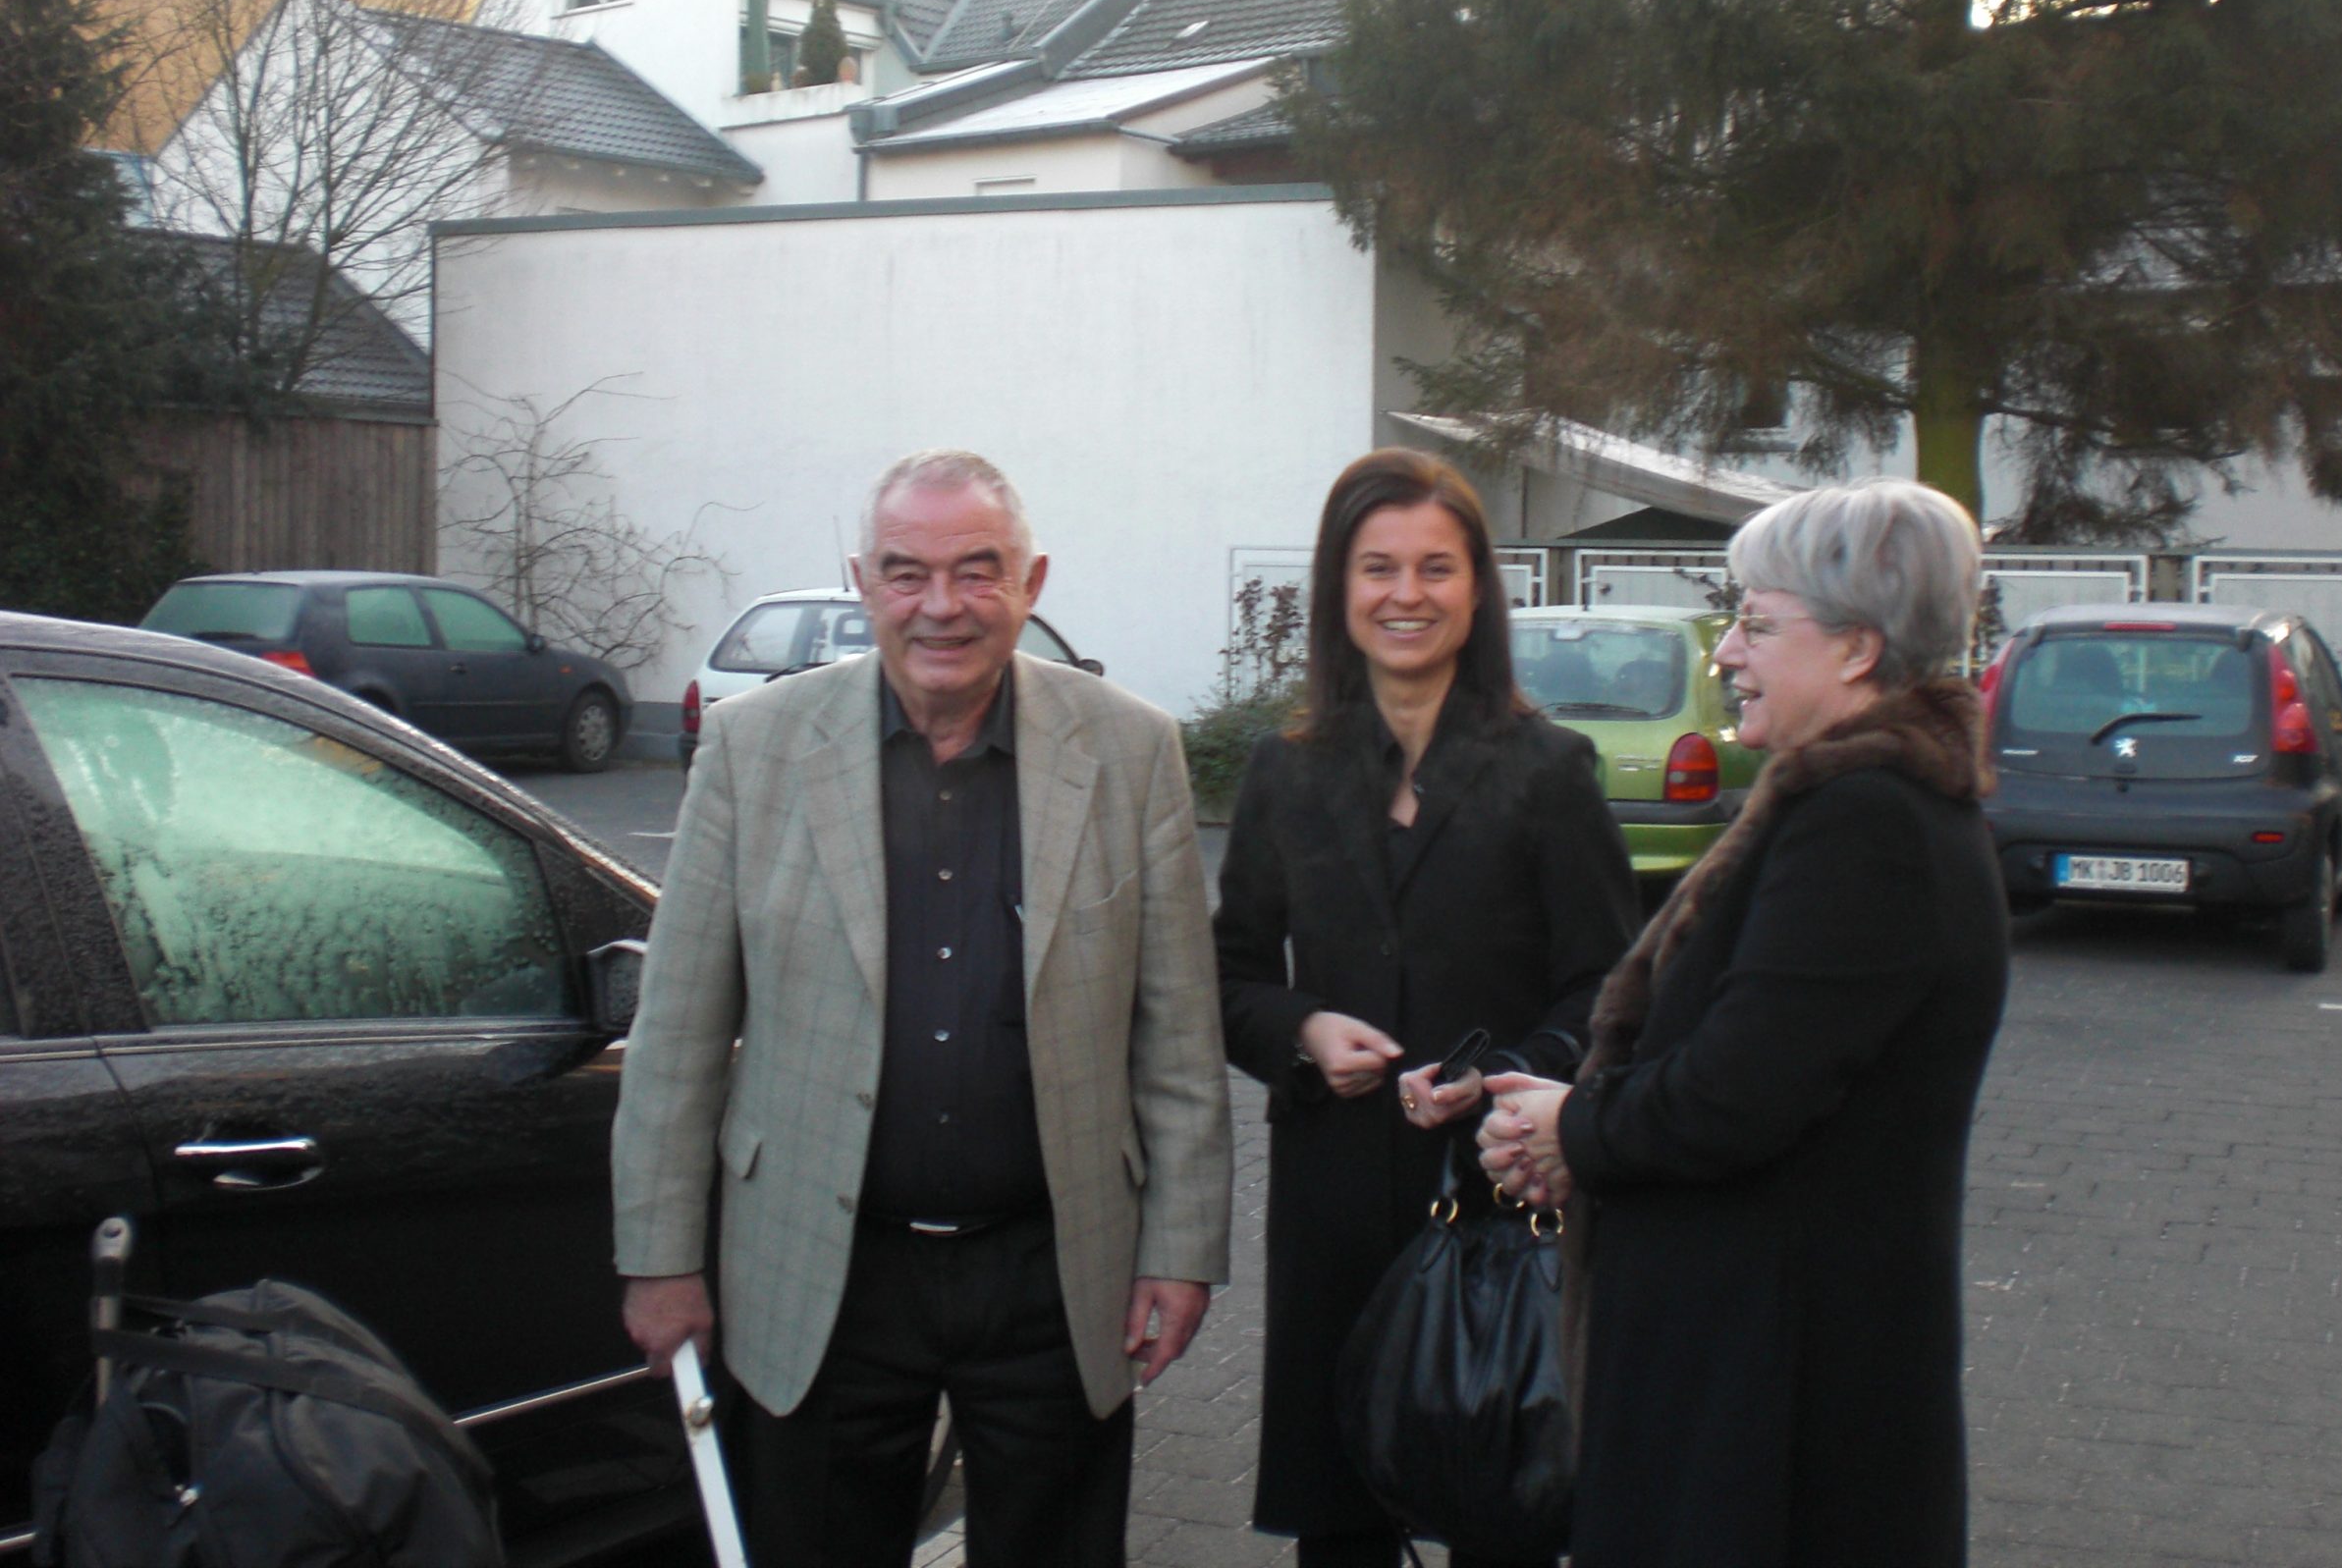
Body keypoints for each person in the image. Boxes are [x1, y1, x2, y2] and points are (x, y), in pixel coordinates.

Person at [613, 450, 1231, 1568]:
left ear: (1032, 583)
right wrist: (660, 1259)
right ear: (863, 583)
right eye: (906, 573)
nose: (941, 605)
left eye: (977, 570)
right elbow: (679, 1033)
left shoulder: (1131, 750)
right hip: (821, 1267)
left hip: (1056, 1274)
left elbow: (1178, 1036)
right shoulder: (754, 748)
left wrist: (1181, 1250)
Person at [1478, 477, 2010, 1567]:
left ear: (1857, 648)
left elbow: (1735, 1096)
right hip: (1763, 1367)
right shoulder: (1866, 805)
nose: (1725, 652)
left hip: (1774, 1406)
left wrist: (1572, 1128)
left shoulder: (1866, 823)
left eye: (1758, 624)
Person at [1215, 447, 1635, 1568]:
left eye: (1436, 568)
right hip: (1333, 1210)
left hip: (1502, 1202)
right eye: (1378, 567)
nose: (1407, 595)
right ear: (1338, 588)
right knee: (1341, 1524)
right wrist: (1301, 1031)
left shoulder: (1548, 769)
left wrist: (1512, 1072)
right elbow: (1229, 972)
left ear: (1478, 589)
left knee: (1503, 1516)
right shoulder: (1284, 772)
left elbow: (1609, 984)